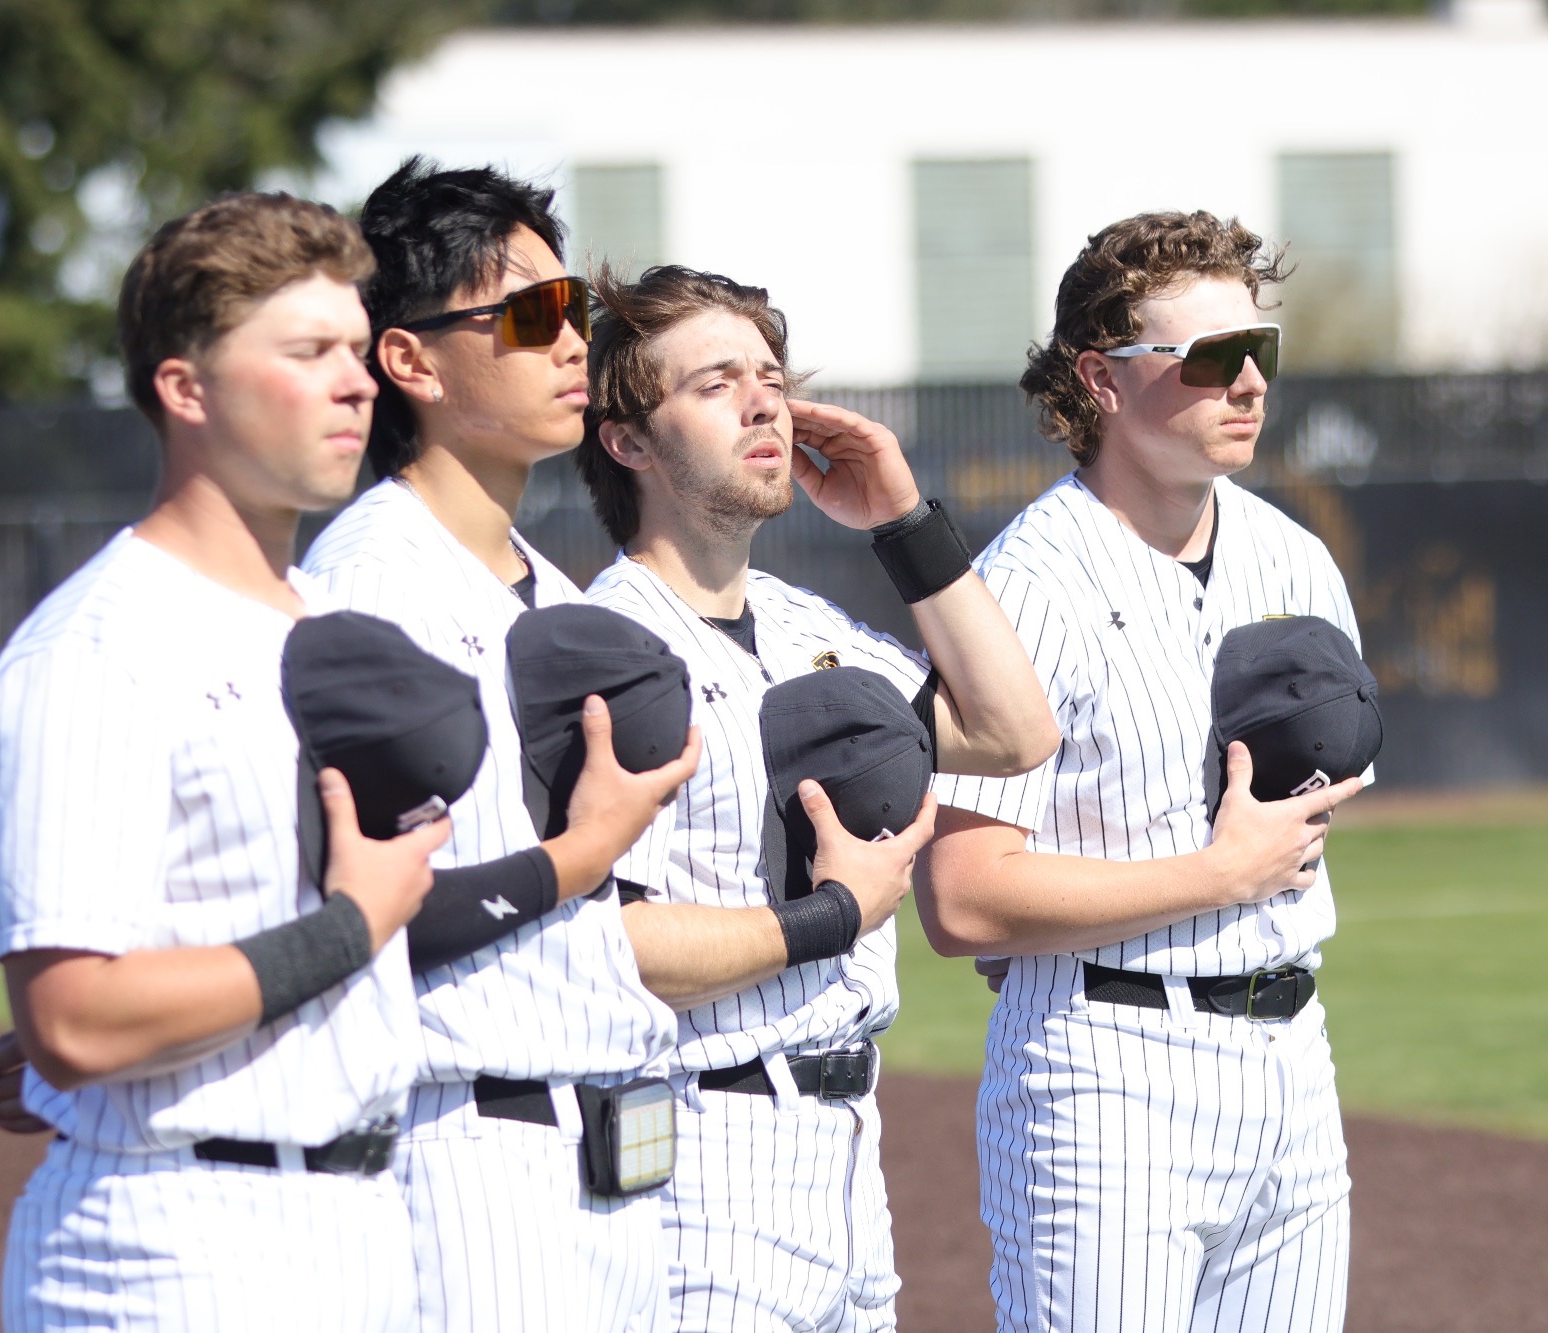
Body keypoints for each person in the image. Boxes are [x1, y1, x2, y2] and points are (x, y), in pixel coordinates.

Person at [0, 192, 453, 1331]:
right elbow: (76, 1020)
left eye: (355, 347)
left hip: (365, 1229)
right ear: (184, 388)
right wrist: (349, 926)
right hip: (174, 1250)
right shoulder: (96, 647)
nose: (358, 380)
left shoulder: (331, 621)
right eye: (308, 352)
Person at [575, 265, 1060, 1330]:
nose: (765, 402)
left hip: (843, 1153)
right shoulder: (601, 646)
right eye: (714, 384)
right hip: (696, 1159)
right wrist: (825, 916)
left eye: (768, 376)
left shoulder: (806, 625)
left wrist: (899, 519)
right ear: (627, 441)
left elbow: (1011, 734)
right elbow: (608, 945)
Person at [919, 212, 1369, 1333]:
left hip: (1288, 1063)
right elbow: (961, 898)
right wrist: (1215, 876)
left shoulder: (1289, 554)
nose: (1246, 381)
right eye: (1207, 358)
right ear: (1100, 381)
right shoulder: (1028, 583)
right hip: (1106, 1070)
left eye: (1258, 348)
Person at [299, 159, 700, 1332]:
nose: (571, 340)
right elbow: (366, 911)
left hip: (602, 1146)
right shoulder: (370, 582)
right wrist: (584, 854)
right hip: (466, 1150)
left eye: (572, 307)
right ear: (408, 361)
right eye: (528, 315)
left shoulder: (549, 583)